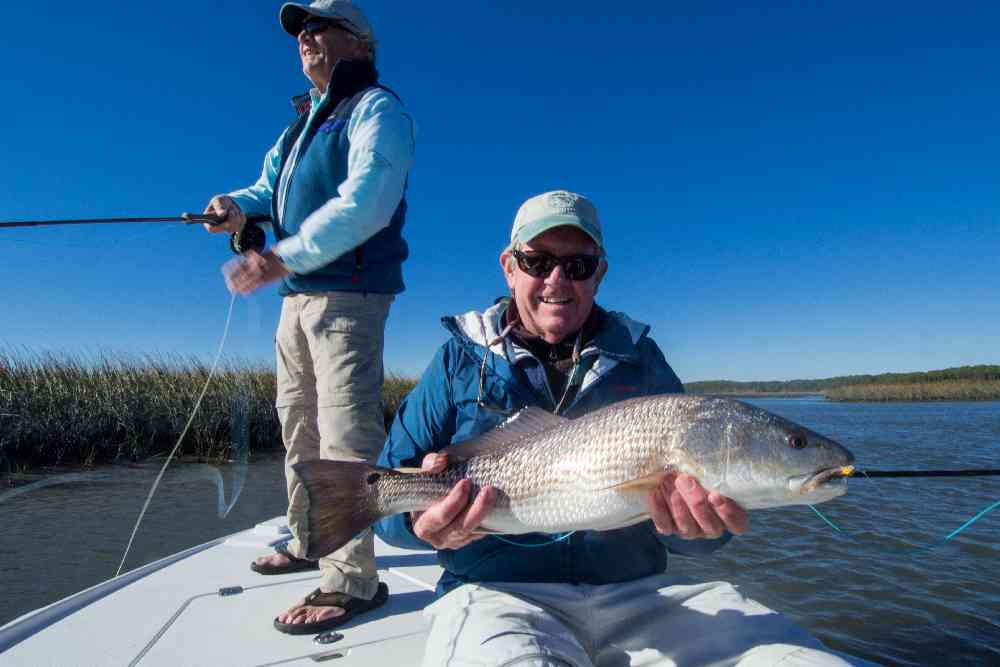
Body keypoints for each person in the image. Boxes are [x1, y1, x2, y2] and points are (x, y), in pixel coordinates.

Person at [374, 191, 870, 665]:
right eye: (537, 261)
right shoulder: (458, 359)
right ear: (509, 267)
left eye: (578, 265)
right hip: (496, 594)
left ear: (599, 274)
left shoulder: (644, 361)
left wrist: (700, 531)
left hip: (639, 595)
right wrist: (425, 528)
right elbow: (383, 506)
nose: (556, 280)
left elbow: (696, 535)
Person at [201, 0, 415, 635]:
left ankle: (353, 579)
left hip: (349, 296)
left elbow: (368, 200)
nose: (305, 37)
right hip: (296, 298)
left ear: (360, 43)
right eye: (300, 30)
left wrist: (280, 256)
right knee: (296, 423)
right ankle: (307, 540)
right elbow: (266, 191)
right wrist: (233, 206)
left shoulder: (376, 109)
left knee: (344, 433)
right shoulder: (298, 130)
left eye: (319, 26)